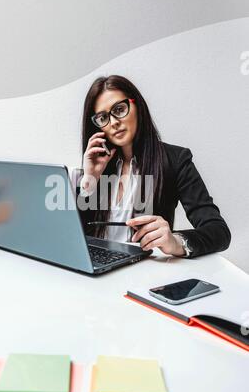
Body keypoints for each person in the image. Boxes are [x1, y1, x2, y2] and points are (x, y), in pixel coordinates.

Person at [75, 74, 231, 258]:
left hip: (147, 273)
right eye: (103, 118)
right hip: (98, 271)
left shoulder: (176, 160)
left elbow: (219, 232)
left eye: (119, 109)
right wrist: (89, 181)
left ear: (137, 106)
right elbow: (73, 235)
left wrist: (175, 241)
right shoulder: (99, 165)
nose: (114, 122)